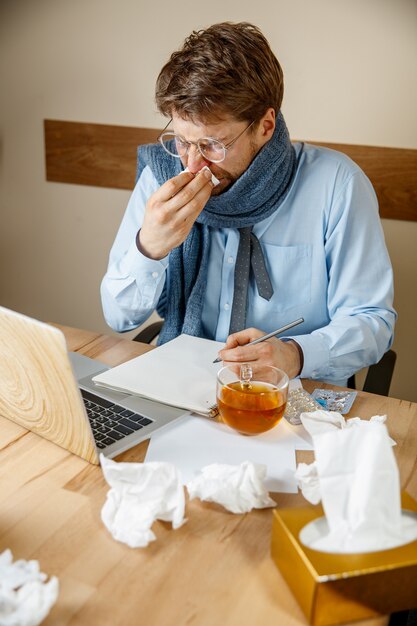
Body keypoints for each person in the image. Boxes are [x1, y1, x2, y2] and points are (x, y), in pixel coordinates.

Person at [101, 22, 396, 385]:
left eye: (213, 144)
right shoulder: (161, 180)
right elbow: (119, 319)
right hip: (181, 385)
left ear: (266, 125)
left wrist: (295, 355)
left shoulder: (337, 185)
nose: (193, 164)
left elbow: (372, 321)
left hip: (290, 395)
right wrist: (149, 248)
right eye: (181, 141)